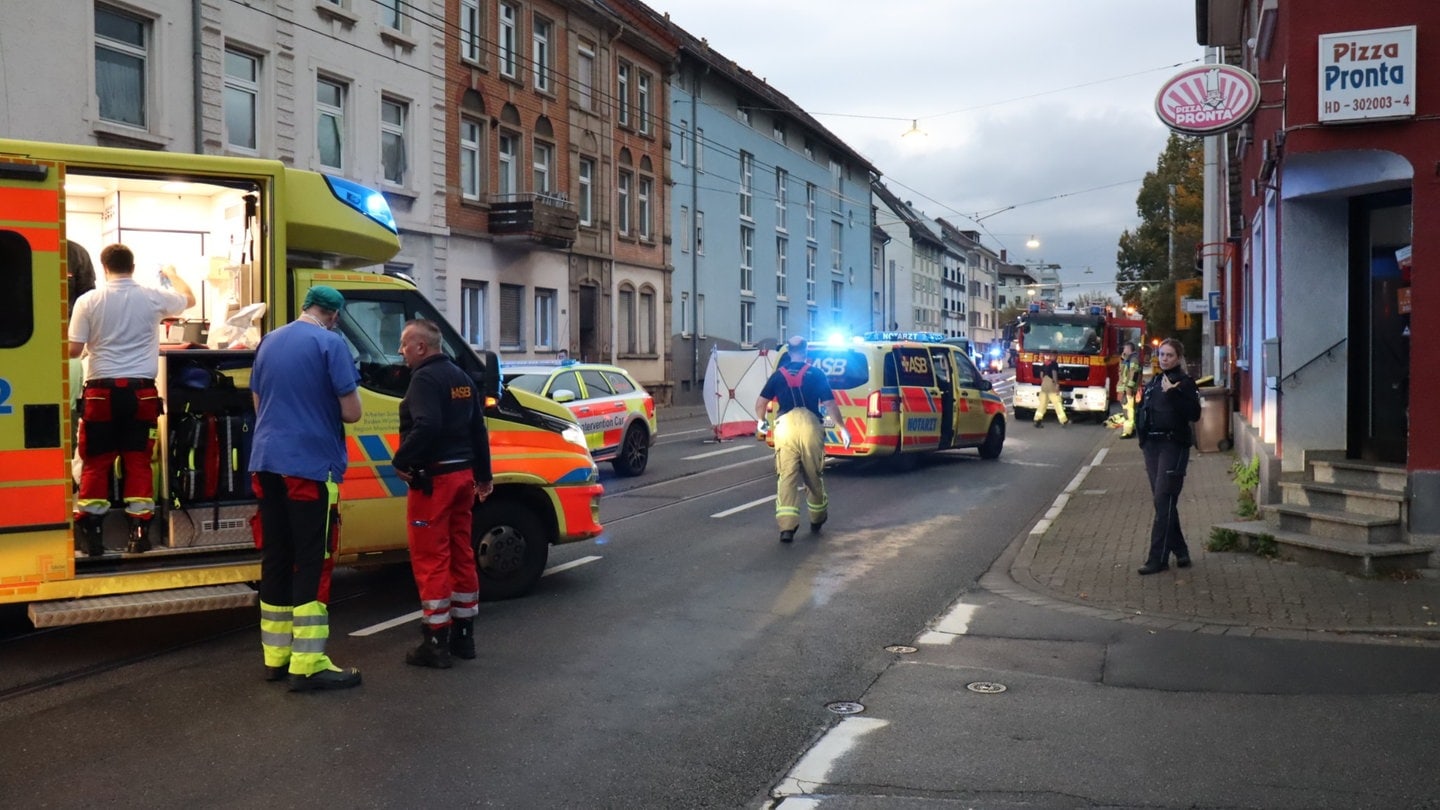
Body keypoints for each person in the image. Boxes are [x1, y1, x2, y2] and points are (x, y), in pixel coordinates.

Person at [249, 285, 363, 691]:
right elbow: (352, 412)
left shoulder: (269, 340)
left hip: (266, 462)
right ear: (333, 315)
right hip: (309, 466)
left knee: (277, 556)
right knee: (313, 559)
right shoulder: (329, 344)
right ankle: (309, 662)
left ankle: (275, 658)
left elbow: (259, 403)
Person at [68, 244, 194, 556]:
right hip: (142, 394)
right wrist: (173, 274)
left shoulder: (88, 300)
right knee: (138, 462)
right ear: (133, 266)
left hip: (100, 394)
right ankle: (139, 535)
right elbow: (188, 299)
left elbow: (73, 350)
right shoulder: (152, 296)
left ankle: (92, 535)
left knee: (96, 463)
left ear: (103, 267)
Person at [392, 318, 494, 668]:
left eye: (404, 344)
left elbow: (428, 424)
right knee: (460, 552)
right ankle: (465, 636)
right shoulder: (460, 378)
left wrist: (401, 459)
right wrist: (484, 475)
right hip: (463, 477)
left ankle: (435, 640)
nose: (400, 351)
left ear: (421, 347)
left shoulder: (424, 379)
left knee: (430, 557)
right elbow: (478, 428)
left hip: (433, 482)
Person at [754, 336, 836, 543]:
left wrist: (761, 422)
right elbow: (830, 405)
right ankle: (817, 518)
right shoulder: (816, 374)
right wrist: (843, 429)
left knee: (787, 475)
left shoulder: (777, 376)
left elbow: (760, 403)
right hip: (810, 426)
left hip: (785, 427)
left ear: (789, 352)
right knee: (812, 474)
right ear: (806, 351)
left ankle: (787, 528)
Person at [1135, 338, 1202, 575]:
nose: (1164, 359)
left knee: (1164, 499)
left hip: (1174, 445)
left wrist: (1174, 394)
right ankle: (1180, 550)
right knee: (1162, 502)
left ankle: (1158, 558)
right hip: (1152, 446)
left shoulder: (1185, 383)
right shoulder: (1153, 382)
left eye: (1169, 355)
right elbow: (1142, 409)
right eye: (1162, 354)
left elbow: (1194, 414)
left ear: (1178, 358)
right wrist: (1142, 438)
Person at [1032, 352, 1069, 428]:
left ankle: (1037, 419)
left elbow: (1041, 375)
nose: (1056, 357)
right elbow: (1054, 374)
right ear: (1054, 356)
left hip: (1044, 384)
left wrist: (1044, 382)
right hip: (1051, 384)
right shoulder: (1054, 364)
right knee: (1057, 402)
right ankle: (1063, 420)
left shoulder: (1044, 364)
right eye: (1056, 356)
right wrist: (1057, 385)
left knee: (1043, 403)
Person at [1118, 341, 1142, 438]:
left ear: (1129, 349)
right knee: (1128, 409)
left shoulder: (1133, 359)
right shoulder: (1129, 359)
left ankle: (1128, 432)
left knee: (1128, 410)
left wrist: (1129, 387)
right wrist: (1123, 359)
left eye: (1125, 349)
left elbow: (1134, 373)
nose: (1123, 350)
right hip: (1126, 389)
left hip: (1128, 389)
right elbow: (1122, 371)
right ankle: (1131, 429)